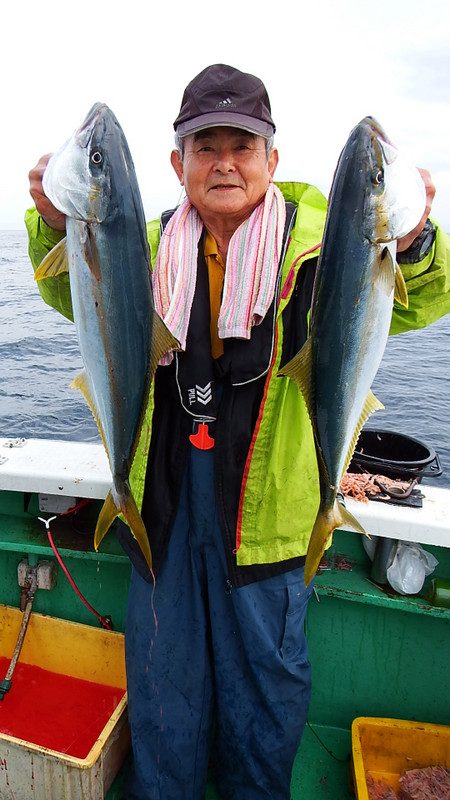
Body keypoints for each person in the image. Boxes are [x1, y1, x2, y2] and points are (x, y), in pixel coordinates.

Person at [26, 64, 450, 800]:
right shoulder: (141, 242)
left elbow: (420, 299)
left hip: (269, 517)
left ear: (272, 160)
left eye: (243, 145)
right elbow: (75, 290)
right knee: (165, 689)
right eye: (205, 145)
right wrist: (53, 221)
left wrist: (412, 245)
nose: (225, 161)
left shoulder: (326, 250)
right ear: (177, 164)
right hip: (165, 505)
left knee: (264, 697)